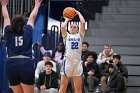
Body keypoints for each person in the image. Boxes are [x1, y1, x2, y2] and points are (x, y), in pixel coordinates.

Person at [1, 0, 42, 93]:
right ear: (23, 23)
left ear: (12, 23)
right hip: (26, 63)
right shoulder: (28, 30)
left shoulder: (8, 31)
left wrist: (3, 5)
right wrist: (36, 6)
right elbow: (32, 17)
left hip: (11, 63)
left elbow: (6, 17)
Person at [59, 8, 86, 93]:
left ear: (77, 29)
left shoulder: (80, 35)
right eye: (71, 26)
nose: (72, 28)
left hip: (78, 62)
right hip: (68, 61)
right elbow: (63, 26)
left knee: (78, 88)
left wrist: (78, 13)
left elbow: (83, 23)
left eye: (74, 27)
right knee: (63, 86)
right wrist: (67, 19)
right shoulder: (66, 36)